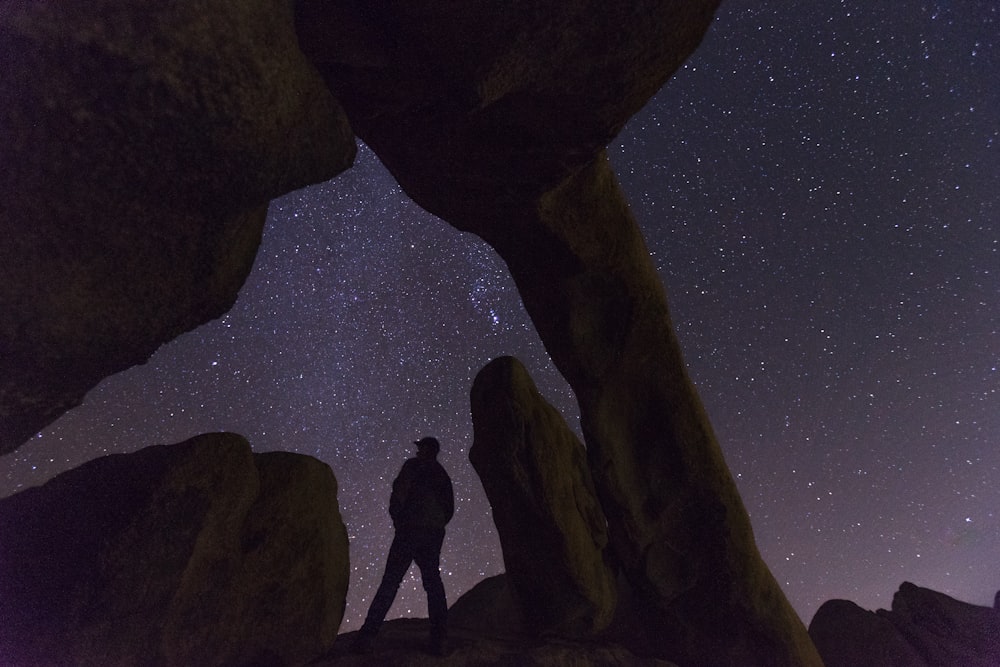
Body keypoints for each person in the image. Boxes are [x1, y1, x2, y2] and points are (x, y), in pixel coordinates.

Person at [351, 436, 455, 655]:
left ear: (427, 449)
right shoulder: (442, 474)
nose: (417, 451)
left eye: (420, 447)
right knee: (433, 583)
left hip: (410, 530)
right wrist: (436, 525)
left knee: (391, 581)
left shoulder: (413, 466)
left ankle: (367, 636)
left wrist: (400, 521)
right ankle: (440, 639)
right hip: (433, 533)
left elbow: (398, 493)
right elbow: (449, 508)